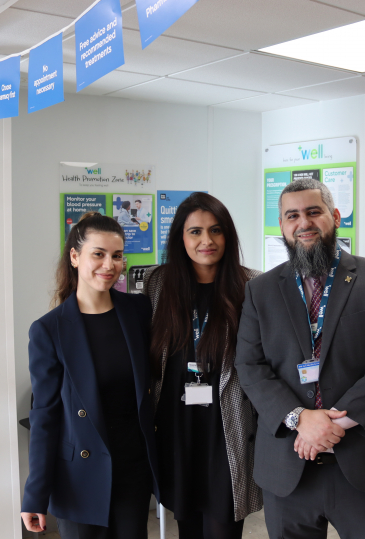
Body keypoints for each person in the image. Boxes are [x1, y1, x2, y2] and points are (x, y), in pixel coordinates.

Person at [235, 178, 365, 539]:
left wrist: (332, 426)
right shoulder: (260, 290)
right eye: (292, 215)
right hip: (290, 465)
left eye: (313, 212)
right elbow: (250, 366)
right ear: (283, 226)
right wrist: (300, 418)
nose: (304, 223)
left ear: (334, 217)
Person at [20, 212, 159, 539]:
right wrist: (34, 494)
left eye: (117, 255)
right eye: (98, 254)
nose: (109, 265)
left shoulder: (138, 311)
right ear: (74, 256)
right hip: (78, 476)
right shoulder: (48, 329)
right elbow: (45, 417)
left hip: (132, 470)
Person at [143, 192, 262, 539]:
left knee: (224, 525)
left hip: (227, 428)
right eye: (195, 232)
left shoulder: (252, 286)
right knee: (188, 528)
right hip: (177, 429)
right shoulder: (158, 285)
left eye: (216, 230)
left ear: (229, 236)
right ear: (180, 237)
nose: (206, 241)